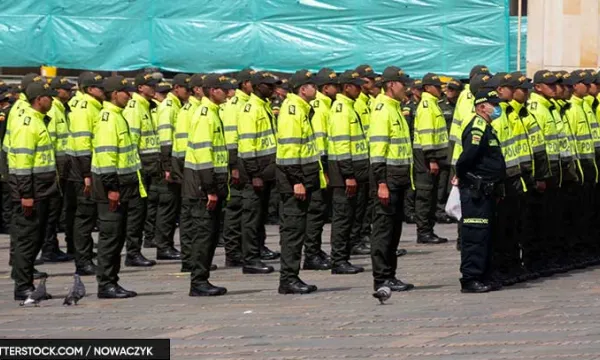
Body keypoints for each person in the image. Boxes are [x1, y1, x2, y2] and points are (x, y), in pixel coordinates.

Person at [92, 76, 142, 299]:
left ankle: (112, 281)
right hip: (111, 188)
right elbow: (106, 157)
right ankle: (106, 284)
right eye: (125, 91)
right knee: (110, 238)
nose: (129, 95)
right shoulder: (108, 119)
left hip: (122, 186)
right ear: (114, 94)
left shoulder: (117, 116)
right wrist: (112, 187)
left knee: (117, 237)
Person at [8, 82, 58, 300]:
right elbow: (22, 164)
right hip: (32, 192)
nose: (53, 100)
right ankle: (22, 287)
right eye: (49, 97)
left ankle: (27, 282)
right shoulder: (28, 124)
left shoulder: (38, 120)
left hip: (42, 189)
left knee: (34, 240)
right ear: (39, 99)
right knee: (26, 240)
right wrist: (26, 195)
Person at [185, 74, 234, 296]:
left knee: (210, 235)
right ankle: (198, 282)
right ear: (213, 91)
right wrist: (210, 190)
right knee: (203, 235)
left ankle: (202, 279)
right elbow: (204, 155)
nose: (228, 93)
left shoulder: (213, 113)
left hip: (210, 185)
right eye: (224, 89)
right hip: (202, 187)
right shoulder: (205, 116)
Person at [277, 69, 324, 294]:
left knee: (297, 229)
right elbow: (289, 149)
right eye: (312, 85)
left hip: (303, 177)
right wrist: (296, 180)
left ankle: (291, 276)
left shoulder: (303, 110)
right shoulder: (293, 110)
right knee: (293, 231)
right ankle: (288, 279)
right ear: (302, 89)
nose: (316, 89)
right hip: (294, 180)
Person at [368, 66, 414, 292]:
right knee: (383, 231)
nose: (406, 88)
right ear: (391, 85)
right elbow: (378, 150)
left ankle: (390, 275)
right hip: (388, 181)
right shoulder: (382, 110)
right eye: (403, 84)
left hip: (400, 179)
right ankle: (381, 277)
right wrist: (381, 182)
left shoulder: (395, 108)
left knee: (394, 231)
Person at [456, 89, 506, 293]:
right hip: (475, 191)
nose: (497, 108)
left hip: (487, 190)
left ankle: (484, 274)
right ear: (481, 107)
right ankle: (470, 278)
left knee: (486, 235)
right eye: (493, 104)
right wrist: (467, 179)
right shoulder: (477, 127)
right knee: (475, 235)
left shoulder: (487, 127)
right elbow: (466, 159)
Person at [237, 71, 281, 275]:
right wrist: (254, 174)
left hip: (267, 171)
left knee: (260, 217)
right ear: (256, 87)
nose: (272, 89)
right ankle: (250, 259)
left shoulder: (264, 106)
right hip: (256, 173)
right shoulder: (250, 109)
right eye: (267, 85)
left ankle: (258, 252)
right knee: (252, 218)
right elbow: (247, 145)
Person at [327, 70, 369, 275]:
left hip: (355, 173)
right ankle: (338, 260)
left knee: (349, 217)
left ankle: (343, 257)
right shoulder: (342, 109)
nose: (360, 89)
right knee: (342, 218)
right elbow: (342, 144)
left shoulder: (349, 108)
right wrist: (348, 175)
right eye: (357, 86)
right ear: (347, 87)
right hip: (344, 176)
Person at [66, 72, 104, 276]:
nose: (103, 91)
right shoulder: (85, 109)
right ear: (90, 89)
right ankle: (83, 261)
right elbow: (82, 144)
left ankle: (84, 254)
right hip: (82, 171)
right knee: (85, 216)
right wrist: (87, 174)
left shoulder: (92, 106)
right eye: (100, 88)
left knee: (86, 216)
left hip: (83, 169)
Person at [122, 73, 161, 267]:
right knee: (136, 212)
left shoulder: (146, 106)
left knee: (143, 211)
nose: (154, 88)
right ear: (140, 88)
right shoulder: (135, 108)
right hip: (139, 168)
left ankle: (135, 251)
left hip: (149, 167)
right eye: (150, 85)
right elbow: (132, 141)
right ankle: (132, 252)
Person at [303, 68, 338, 271]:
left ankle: (315, 250)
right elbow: (320, 141)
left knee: (319, 211)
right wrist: (324, 168)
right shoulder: (321, 109)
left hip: (320, 166)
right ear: (327, 88)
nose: (337, 89)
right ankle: (311, 254)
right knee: (316, 212)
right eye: (334, 86)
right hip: (318, 167)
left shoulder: (325, 106)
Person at [153, 73, 190, 261]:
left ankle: (166, 244)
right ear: (176, 88)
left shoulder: (177, 105)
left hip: (174, 162)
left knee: (172, 205)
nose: (189, 92)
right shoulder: (168, 107)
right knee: (168, 205)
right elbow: (165, 139)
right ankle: (163, 246)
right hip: (168, 164)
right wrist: (167, 166)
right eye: (186, 88)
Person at [221, 68, 254, 267]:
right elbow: (231, 138)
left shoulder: (246, 103)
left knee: (247, 207)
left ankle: (248, 247)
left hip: (245, 161)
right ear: (244, 84)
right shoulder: (235, 105)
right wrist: (234, 165)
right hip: (237, 162)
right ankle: (233, 252)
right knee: (235, 207)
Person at [172, 74, 205, 272]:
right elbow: (183, 144)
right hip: (189, 169)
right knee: (189, 217)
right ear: (197, 90)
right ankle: (189, 259)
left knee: (195, 216)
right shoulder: (189, 111)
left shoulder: (198, 109)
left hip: (193, 168)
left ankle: (194, 257)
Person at [42, 76, 76, 263]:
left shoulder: (62, 109)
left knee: (58, 209)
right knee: (53, 210)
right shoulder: (54, 110)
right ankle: (49, 248)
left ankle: (52, 246)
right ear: (57, 91)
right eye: (66, 89)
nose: (70, 92)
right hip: (56, 166)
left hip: (64, 165)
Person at [413, 73, 449, 244]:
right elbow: (427, 135)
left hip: (434, 157)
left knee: (432, 195)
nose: (440, 89)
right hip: (427, 157)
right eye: (437, 86)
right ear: (427, 88)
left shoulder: (434, 104)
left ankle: (428, 229)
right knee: (425, 195)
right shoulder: (427, 106)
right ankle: (424, 232)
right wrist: (431, 159)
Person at [352, 64, 378, 255]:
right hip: (360, 158)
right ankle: (358, 238)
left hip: (369, 156)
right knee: (360, 204)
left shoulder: (369, 101)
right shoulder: (358, 104)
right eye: (368, 81)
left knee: (368, 202)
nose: (372, 83)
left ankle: (365, 234)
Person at [436, 78, 462, 224]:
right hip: (443, 147)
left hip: (455, 148)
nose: (450, 91)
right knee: (442, 181)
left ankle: (452, 208)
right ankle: (440, 210)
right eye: (449, 89)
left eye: (453, 89)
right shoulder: (440, 106)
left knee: (452, 181)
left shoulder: (460, 105)